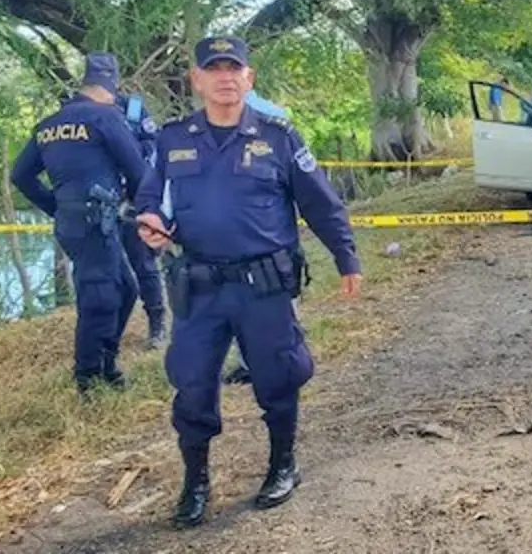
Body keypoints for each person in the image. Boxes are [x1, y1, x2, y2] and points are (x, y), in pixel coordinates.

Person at [133, 35, 362, 528]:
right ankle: (196, 483)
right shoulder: (172, 140)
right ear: (196, 80)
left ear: (248, 78)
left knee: (278, 376)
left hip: (264, 286)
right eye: (214, 69)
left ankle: (283, 465)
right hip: (199, 288)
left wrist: (346, 256)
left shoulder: (278, 138)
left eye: (233, 69)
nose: (225, 78)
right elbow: (151, 199)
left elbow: (320, 203)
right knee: (192, 382)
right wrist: (150, 222)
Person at [11, 53, 152, 394]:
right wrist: (143, 211)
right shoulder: (105, 117)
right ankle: (88, 378)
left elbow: (21, 176)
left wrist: (57, 208)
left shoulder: (49, 125)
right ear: (111, 87)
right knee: (100, 298)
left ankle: (107, 363)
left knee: (126, 289)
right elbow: (137, 170)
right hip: (96, 221)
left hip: (75, 223)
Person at [221, 86, 297, 386]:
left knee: (271, 288)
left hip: (264, 227)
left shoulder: (271, 118)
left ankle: (276, 359)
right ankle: (255, 361)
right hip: (251, 226)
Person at [116, 90, 168, 348]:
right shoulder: (82, 110)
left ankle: (157, 323)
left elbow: (153, 146)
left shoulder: (132, 108)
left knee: (144, 264)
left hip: (133, 200)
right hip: (100, 201)